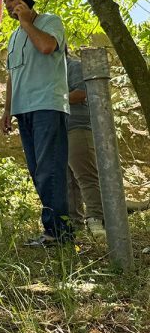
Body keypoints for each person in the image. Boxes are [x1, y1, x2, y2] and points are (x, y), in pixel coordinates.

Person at [0, 0, 72, 246]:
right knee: (37, 170)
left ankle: (58, 233)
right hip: (23, 109)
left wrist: (28, 22)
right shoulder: (14, 37)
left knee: (49, 169)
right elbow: (11, 75)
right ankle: (55, 229)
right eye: (6, 1)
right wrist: (7, 109)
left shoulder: (50, 21)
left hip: (47, 106)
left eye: (14, 0)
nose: (8, 5)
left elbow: (46, 47)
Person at [65, 55, 107, 237]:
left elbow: (81, 92)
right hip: (60, 129)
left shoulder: (74, 66)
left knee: (86, 176)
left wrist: (49, 99)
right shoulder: (49, 72)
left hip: (77, 127)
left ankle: (96, 221)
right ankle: (75, 225)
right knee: (68, 181)